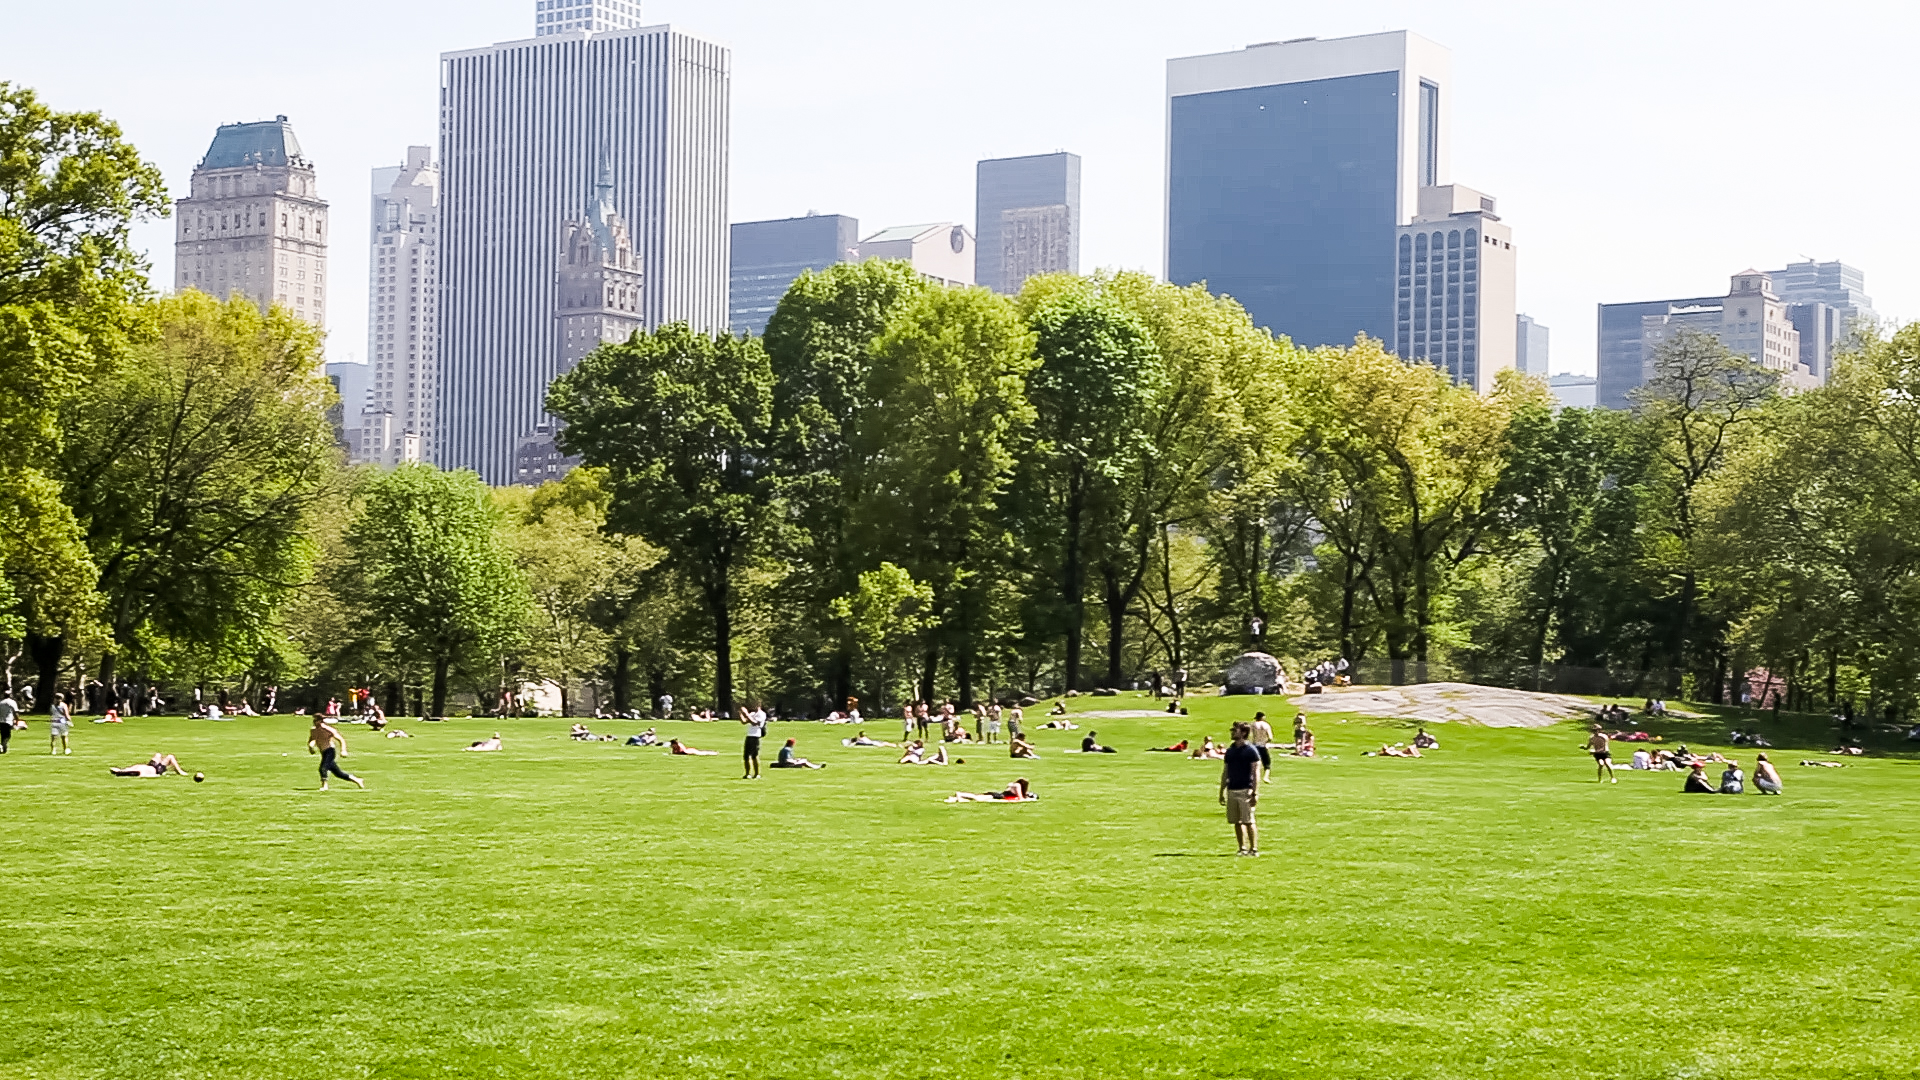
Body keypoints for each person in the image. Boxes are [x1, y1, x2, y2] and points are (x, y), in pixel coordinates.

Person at [1220, 722, 1262, 856]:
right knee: (1236, 821)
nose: (1232, 732)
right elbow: (1225, 771)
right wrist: (1222, 791)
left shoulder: (1250, 750)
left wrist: (1254, 791)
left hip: (1246, 790)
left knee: (1248, 820)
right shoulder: (1230, 750)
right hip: (1232, 789)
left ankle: (1253, 849)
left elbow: (1256, 772)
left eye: (1235, 730)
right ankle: (1242, 848)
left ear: (1243, 733)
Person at [308, 716, 366, 790]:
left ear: (321, 721)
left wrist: (343, 750)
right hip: (323, 752)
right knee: (338, 773)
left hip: (330, 750)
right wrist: (310, 747)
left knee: (323, 768)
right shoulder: (314, 730)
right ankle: (357, 780)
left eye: (316, 720)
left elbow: (341, 739)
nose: (314, 722)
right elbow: (312, 739)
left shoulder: (328, 730)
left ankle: (324, 786)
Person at [945, 778, 1034, 803]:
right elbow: (1020, 797)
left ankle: (955, 798)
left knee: (977, 797)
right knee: (977, 798)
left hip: (997, 794)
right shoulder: (1018, 786)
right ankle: (960, 794)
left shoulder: (1013, 784)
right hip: (998, 796)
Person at [739, 703, 767, 780]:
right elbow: (744, 722)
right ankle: (747, 774)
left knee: (754, 755)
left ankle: (757, 774)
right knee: (746, 756)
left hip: (756, 736)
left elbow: (755, 723)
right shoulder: (752, 713)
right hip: (749, 735)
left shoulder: (761, 714)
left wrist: (746, 713)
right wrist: (741, 713)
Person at [110, 753, 187, 778]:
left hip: (151, 766)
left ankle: (120, 771)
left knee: (158, 754)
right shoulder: (139, 772)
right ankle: (180, 771)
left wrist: (119, 770)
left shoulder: (137, 769)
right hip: (157, 769)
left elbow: (130, 770)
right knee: (170, 756)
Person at [0, 690, 18, 754]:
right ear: (10, 695)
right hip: (8, 720)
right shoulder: (12, 702)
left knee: (3, 734)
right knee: (8, 735)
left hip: (1, 721)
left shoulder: (1, 702)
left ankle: (3, 748)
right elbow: (15, 712)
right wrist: (17, 720)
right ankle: (3, 745)